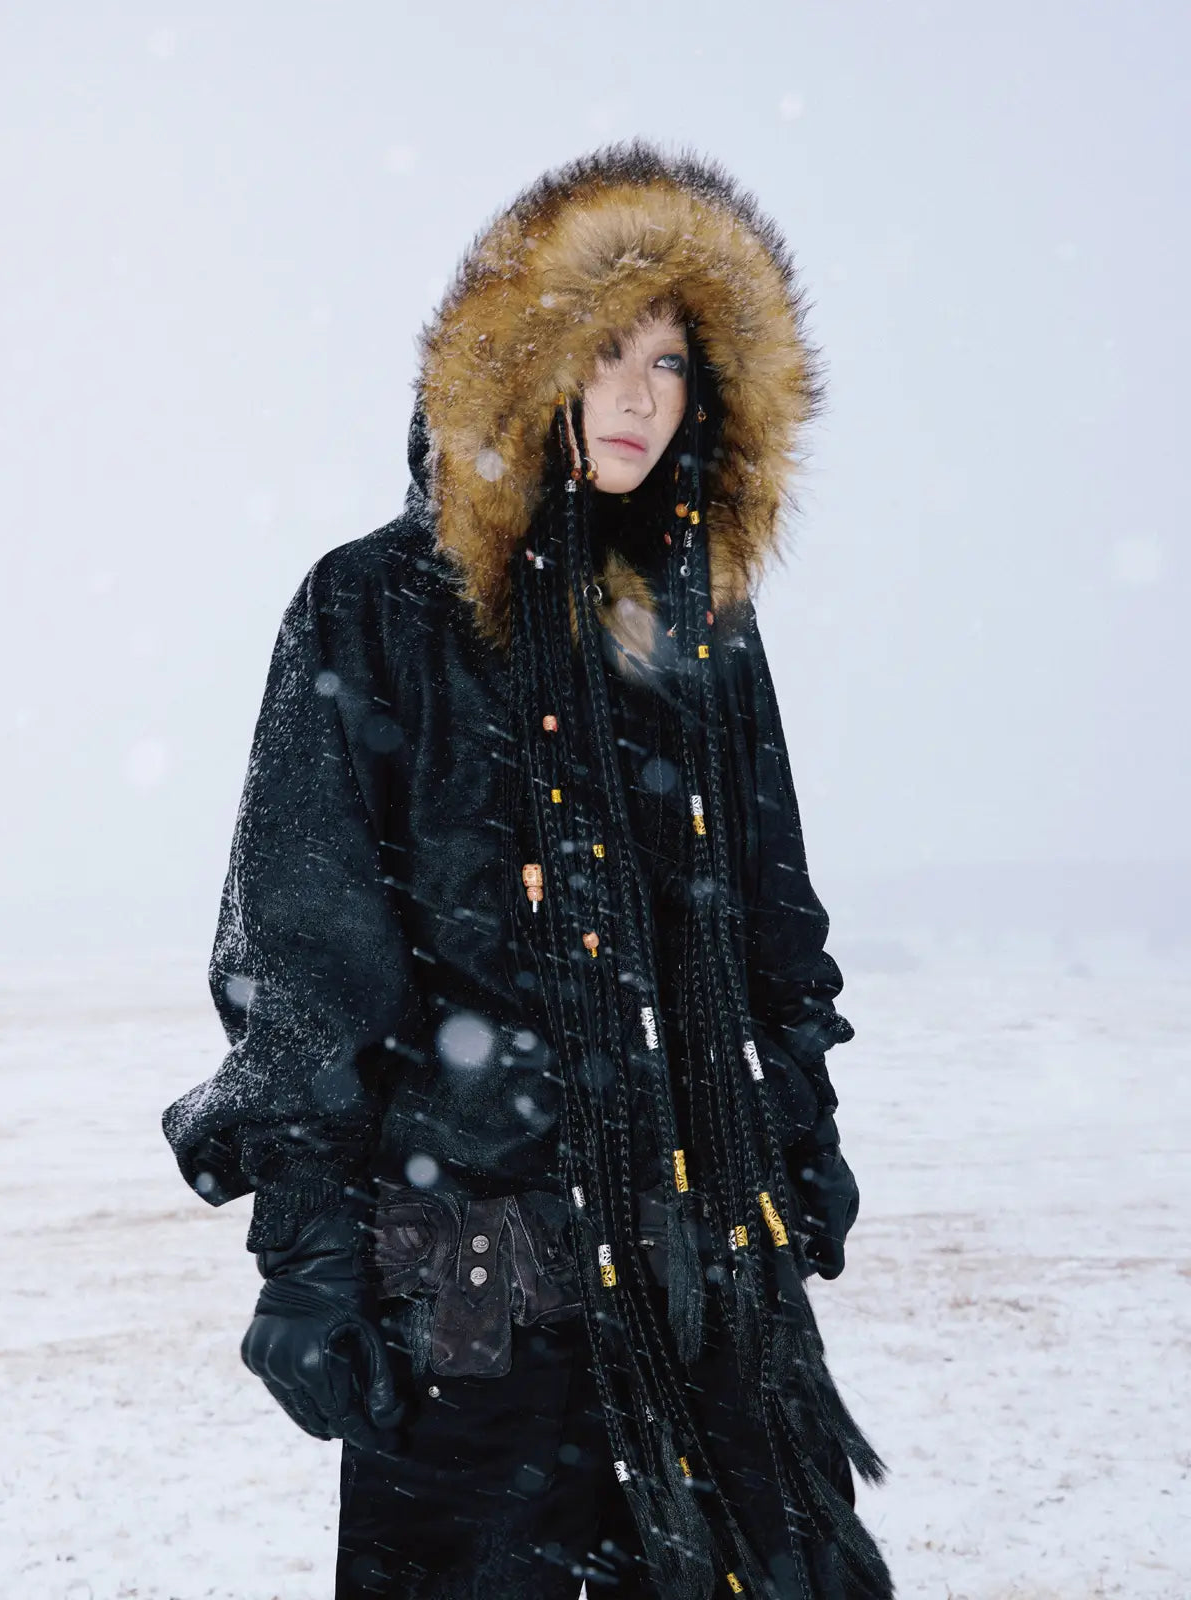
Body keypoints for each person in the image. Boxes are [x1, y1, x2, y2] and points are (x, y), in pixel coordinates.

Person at [162, 140, 894, 1600]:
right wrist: (308, 1256)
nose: (638, 395)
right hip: (476, 1315)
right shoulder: (372, 608)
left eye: (672, 363)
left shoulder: (701, 631)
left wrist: (798, 1122)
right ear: (524, 359)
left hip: (707, 1294)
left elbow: (771, 921)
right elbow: (308, 966)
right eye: (605, 350)